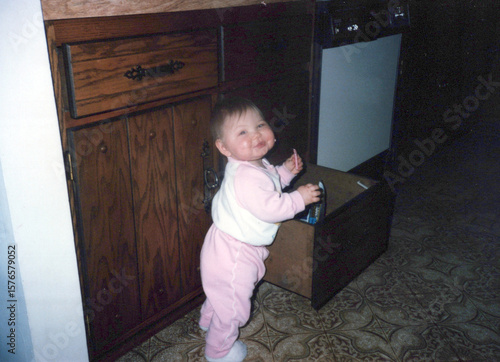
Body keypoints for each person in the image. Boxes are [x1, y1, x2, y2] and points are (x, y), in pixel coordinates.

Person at [200, 97, 321, 361]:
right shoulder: (245, 177)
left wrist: (286, 172)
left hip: (228, 245)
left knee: (223, 292)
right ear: (224, 147)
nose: (256, 135)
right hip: (233, 253)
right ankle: (218, 352)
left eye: (260, 125)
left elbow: (270, 181)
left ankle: (208, 320)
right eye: (243, 132)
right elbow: (271, 207)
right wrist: (299, 197)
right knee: (234, 308)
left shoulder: (254, 164)